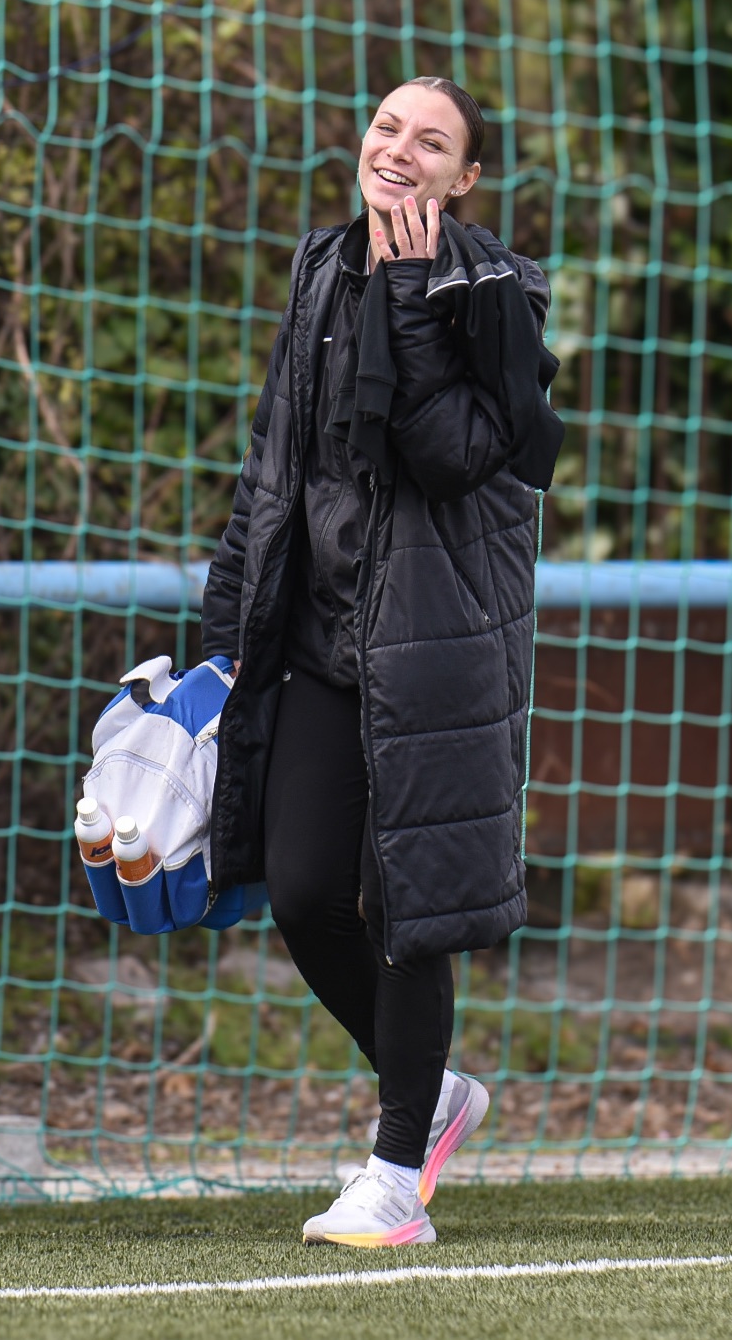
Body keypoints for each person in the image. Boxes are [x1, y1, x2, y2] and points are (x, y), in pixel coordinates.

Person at [200, 77, 564, 1247]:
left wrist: (410, 293)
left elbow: (451, 456)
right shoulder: (318, 266)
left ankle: (396, 1172)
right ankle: (434, 1091)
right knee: (304, 890)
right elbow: (274, 467)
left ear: (465, 178)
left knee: (411, 907)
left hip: (436, 644)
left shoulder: (499, 292)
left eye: (432, 142)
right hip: (320, 638)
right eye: (387, 127)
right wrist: (222, 643)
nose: (398, 150)